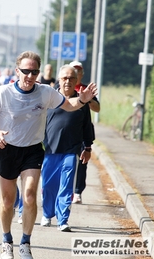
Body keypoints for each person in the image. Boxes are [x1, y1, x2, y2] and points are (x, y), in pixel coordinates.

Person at [0, 51, 97, 259]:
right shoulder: (2, 92)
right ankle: (6, 240)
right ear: (17, 71)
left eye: (34, 72)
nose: (30, 76)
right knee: (7, 201)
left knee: (30, 195)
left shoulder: (45, 92)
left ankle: (25, 242)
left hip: (32, 150)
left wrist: (82, 100)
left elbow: (68, 105)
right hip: (7, 148)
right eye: (26, 72)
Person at [40, 65, 94, 232]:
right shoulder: (50, 98)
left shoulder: (82, 102)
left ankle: (63, 219)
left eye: (71, 78)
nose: (68, 82)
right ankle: (47, 214)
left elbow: (87, 126)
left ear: (76, 80)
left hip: (71, 151)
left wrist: (88, 147)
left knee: (66, 185)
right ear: (59, 80)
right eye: (64, 78)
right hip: (49, 150)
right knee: (49, 185)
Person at [69, 61, 100, 204]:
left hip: (82, 129)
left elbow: (97, 108)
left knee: (82, 162)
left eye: (78, 71)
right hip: (66, 130)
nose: (76, 73)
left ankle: (77, 191)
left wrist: (87, 100)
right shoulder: (64, 85)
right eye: (73, 70)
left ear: (82, 74)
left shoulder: (87, 89)